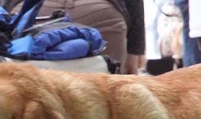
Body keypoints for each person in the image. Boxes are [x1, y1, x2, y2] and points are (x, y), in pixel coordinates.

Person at [11, 0, 145, 74]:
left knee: (29, 97)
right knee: (110, 98)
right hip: (101, 11)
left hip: (33, 11)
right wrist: (135, 51)